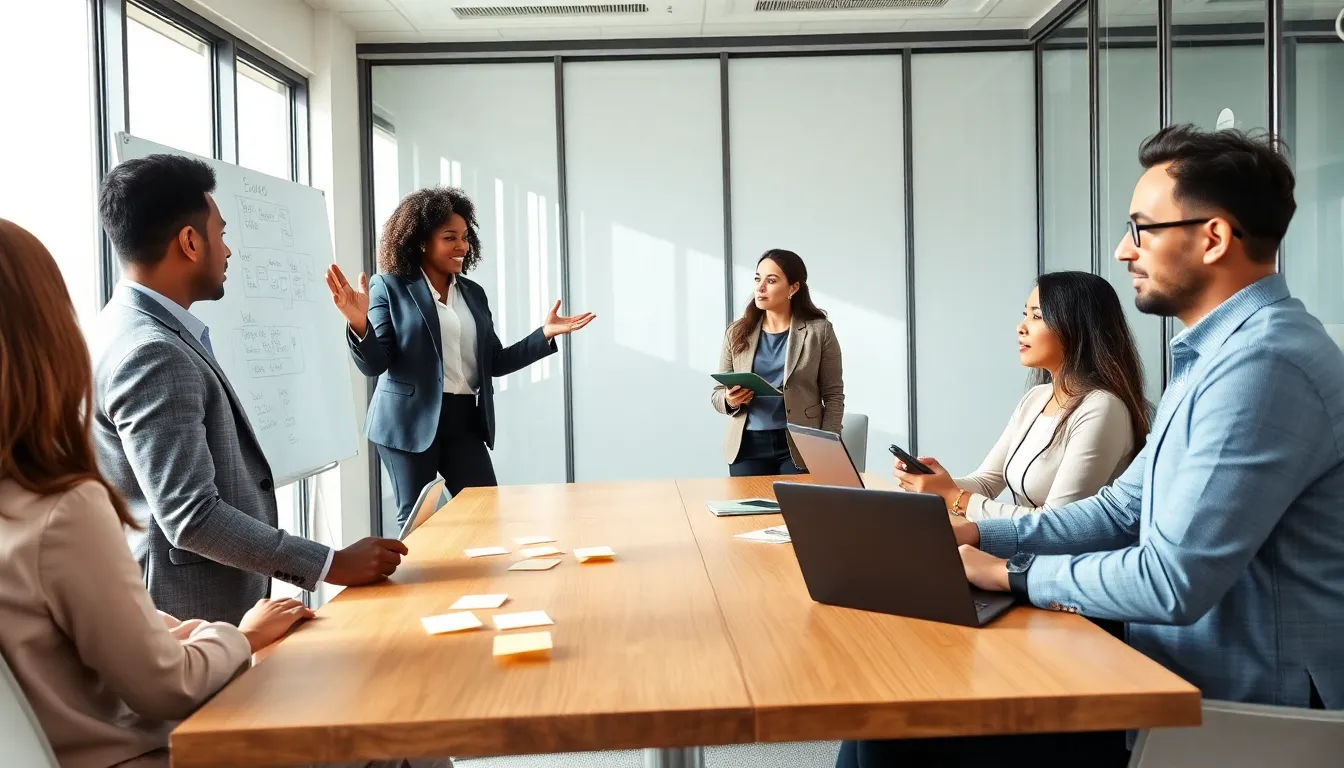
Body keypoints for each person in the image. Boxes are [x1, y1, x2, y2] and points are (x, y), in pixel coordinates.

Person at [845, 125, 1344, 767]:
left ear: (1214, 237)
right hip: (1164, 668)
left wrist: (1011, 573)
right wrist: (979, 537)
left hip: (1237, 712)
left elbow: (1172, 581)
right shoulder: (1214, 359)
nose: (1122, 251)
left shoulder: (1263, 366)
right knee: (885, 723)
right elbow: (1118, 511)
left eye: (1142, 229)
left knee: (898, 738)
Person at [0, 218, 313, 768]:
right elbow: (163, 688)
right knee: (387, 740)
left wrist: (179, 633)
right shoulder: (61, 508)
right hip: (147, 754)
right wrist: (240, 636)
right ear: (44, 332)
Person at [91, 154, 407, 627]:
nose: (229, 251)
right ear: (190, 242)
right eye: (221, 234)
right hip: (187, 616)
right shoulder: (152, 353)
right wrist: (330, 563)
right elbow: (191, 517)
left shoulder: (120, 327)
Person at [326, 187, 595, 529]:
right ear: (421, 241)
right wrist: (358, 321)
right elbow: (376, 364)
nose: (462, 246)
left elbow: (494, 362)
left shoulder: (472, 293)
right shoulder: (388, 286)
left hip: (463, 420)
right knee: (420, 524)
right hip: (408, 421)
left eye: (465, 237)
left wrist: (543, 335)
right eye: (450, 237)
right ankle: (423, 584)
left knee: (484, 513)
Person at [893, 271, 1149, 521]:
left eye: (1037, 316)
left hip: (1063, 561)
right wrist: (934, 483)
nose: (1021, 327)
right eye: (1025, 314)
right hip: (1021, 551)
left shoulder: (1102, 408)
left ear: (1077, 327)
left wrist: (952, 496)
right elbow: (986, 481)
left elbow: (1056, 524)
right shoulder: (1036, 398)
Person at [711, 249, 844, 476]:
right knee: (751, 512)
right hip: (747, 446)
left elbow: (833, 394)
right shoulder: (736, 332)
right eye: (757, 279)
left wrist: (826, 444)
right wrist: (729, 399)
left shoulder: (819, 331)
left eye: (771, 281)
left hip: (801, 443)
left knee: (798, 511)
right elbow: (717, 393)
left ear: (793, 288)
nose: (760, 288)